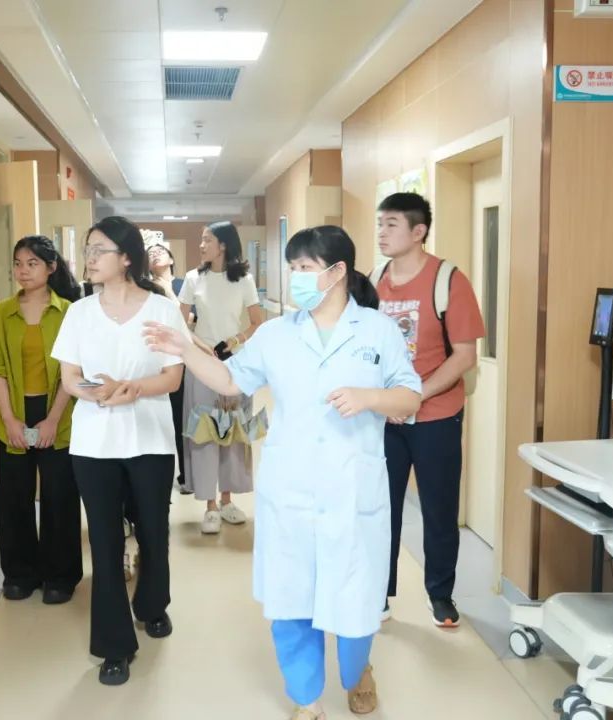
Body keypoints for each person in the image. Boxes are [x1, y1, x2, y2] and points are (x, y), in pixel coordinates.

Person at [145, 226, 422, 720]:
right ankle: (306, 698)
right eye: (293, 268)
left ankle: (358, 669)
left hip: (351, 489)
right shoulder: (276, 334)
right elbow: (230, 379)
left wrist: (370, 397)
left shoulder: (378, 330)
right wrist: (185, 350)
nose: (296, 277)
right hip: (291, 489)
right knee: (292, 600)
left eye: (305, 268)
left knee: (355, 599)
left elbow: (410, 397)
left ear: (337, 271)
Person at [52, 216, 188, 687]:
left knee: (153, 529)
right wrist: (96, 392)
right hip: (94, 443)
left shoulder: (162, 309)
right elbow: (69, 378)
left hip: (150, 438)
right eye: (87, 250)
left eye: (99, 250)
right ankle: (114, 646)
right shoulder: (79, 313)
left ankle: (152, 604)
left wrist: (132, 388)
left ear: (127, 258)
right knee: (105, 542)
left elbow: (173, 377)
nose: (89, 259)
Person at [374, 192, 485, 628]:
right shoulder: (375, 280)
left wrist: (415, 396)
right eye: (380, 223)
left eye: (392, 224)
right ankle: (378, 593)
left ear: (418, 231)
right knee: (380, 508)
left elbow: (465, 355)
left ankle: (440, 594)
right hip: (384, 418)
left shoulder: (448, 280)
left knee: (439, 509)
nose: (381, 232)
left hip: (435, 415)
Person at [0, 235, 83, 605]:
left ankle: (60, 576)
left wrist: (53, 419)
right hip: (13, 411)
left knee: (59, 496)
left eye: (32, 263)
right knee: (13, 496)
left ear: (51, 267)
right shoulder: (1, 313)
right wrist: (9, 418)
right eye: (18, 263)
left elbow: (75, 368)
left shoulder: (69, 312)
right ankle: (19, 573)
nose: (23, 271)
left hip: (59, 412)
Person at [177, 221, 263, 534]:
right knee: (204, 432)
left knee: (232, 430)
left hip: (236, 365)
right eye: (202, 240)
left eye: (207, 240)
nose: (201, 245)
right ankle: (210, 505)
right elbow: (179, 321)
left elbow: (256, 322)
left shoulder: (244, 280)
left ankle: (227, 500)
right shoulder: (193, 278)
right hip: (202, 364)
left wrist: (234, 341)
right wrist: (203, 348)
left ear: (223, 245)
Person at [147, 242, 192, 496]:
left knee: (180, 417)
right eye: (150, 253)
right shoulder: (147, 287)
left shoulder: (183, 284)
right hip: (155, 361)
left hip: (182, 357)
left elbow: (190, 318)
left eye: (160, 251)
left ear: (172, 259)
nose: (155, 255)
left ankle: (185, 474)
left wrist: (169, 292)